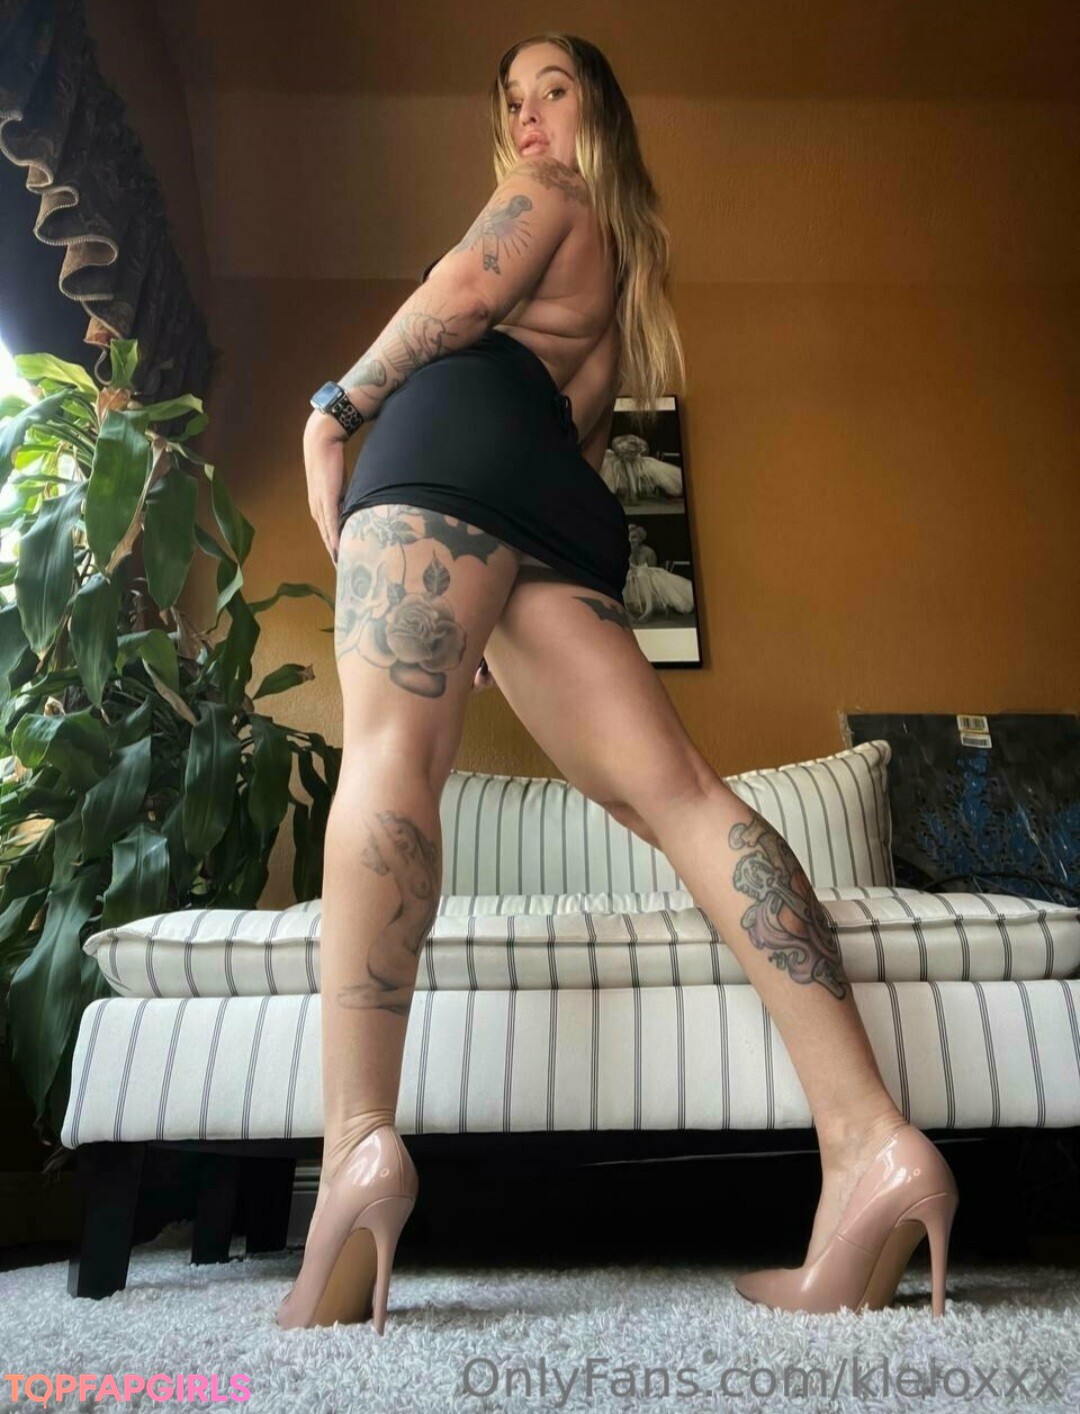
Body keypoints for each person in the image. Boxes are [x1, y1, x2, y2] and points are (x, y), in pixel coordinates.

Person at [281, 32, 958, 1334]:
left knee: (391, 758)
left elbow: (459, 294)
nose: (531, 118)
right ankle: (871, 1137)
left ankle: (358, 1146)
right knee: (686, 796)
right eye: (514, 100)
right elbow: (572, 442)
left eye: (557, 90)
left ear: (599, 114)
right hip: (554, 493)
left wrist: (335, 409)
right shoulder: (627, 278)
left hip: (444, 447)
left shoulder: (544, 198)